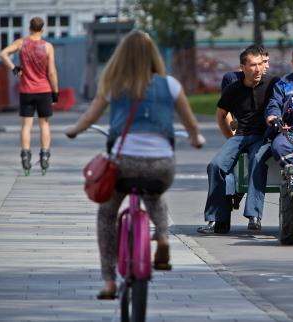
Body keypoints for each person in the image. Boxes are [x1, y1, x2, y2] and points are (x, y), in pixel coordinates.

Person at [65, 30, 206, 299]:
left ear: (121, 56)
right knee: (154, 193)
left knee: (106, 215)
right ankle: (162, 237)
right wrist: (196, 138)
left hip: (123, 165)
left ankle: (108, 281)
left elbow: (88, 117)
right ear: (153, 55)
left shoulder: (113, 84)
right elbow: (191, 124)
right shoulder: (170, 85)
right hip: (161, 165)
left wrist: (74, 130)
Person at [198, 46, 278, 234]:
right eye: (252, 65)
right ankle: (213, 219)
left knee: (257, 160)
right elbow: (220, 115)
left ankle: (254, 216)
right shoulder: (233, 88)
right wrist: (229, 137)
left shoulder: (273, 83)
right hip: (240, 136)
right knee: (215, 166)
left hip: (262, 136)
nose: (258, 69)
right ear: (242, 67)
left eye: (260, 64)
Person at [0, 16, 59, 174]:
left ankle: (25, 156)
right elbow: (52, 72)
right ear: (42, 29)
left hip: (26, 91)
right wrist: (55, 91)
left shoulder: (21, 43)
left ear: (29, 28)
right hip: (44, 90)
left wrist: (14, 68)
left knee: (26, 125)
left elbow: (3, 54)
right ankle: (45, 156)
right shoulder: (47, 47)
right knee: (44, 125)